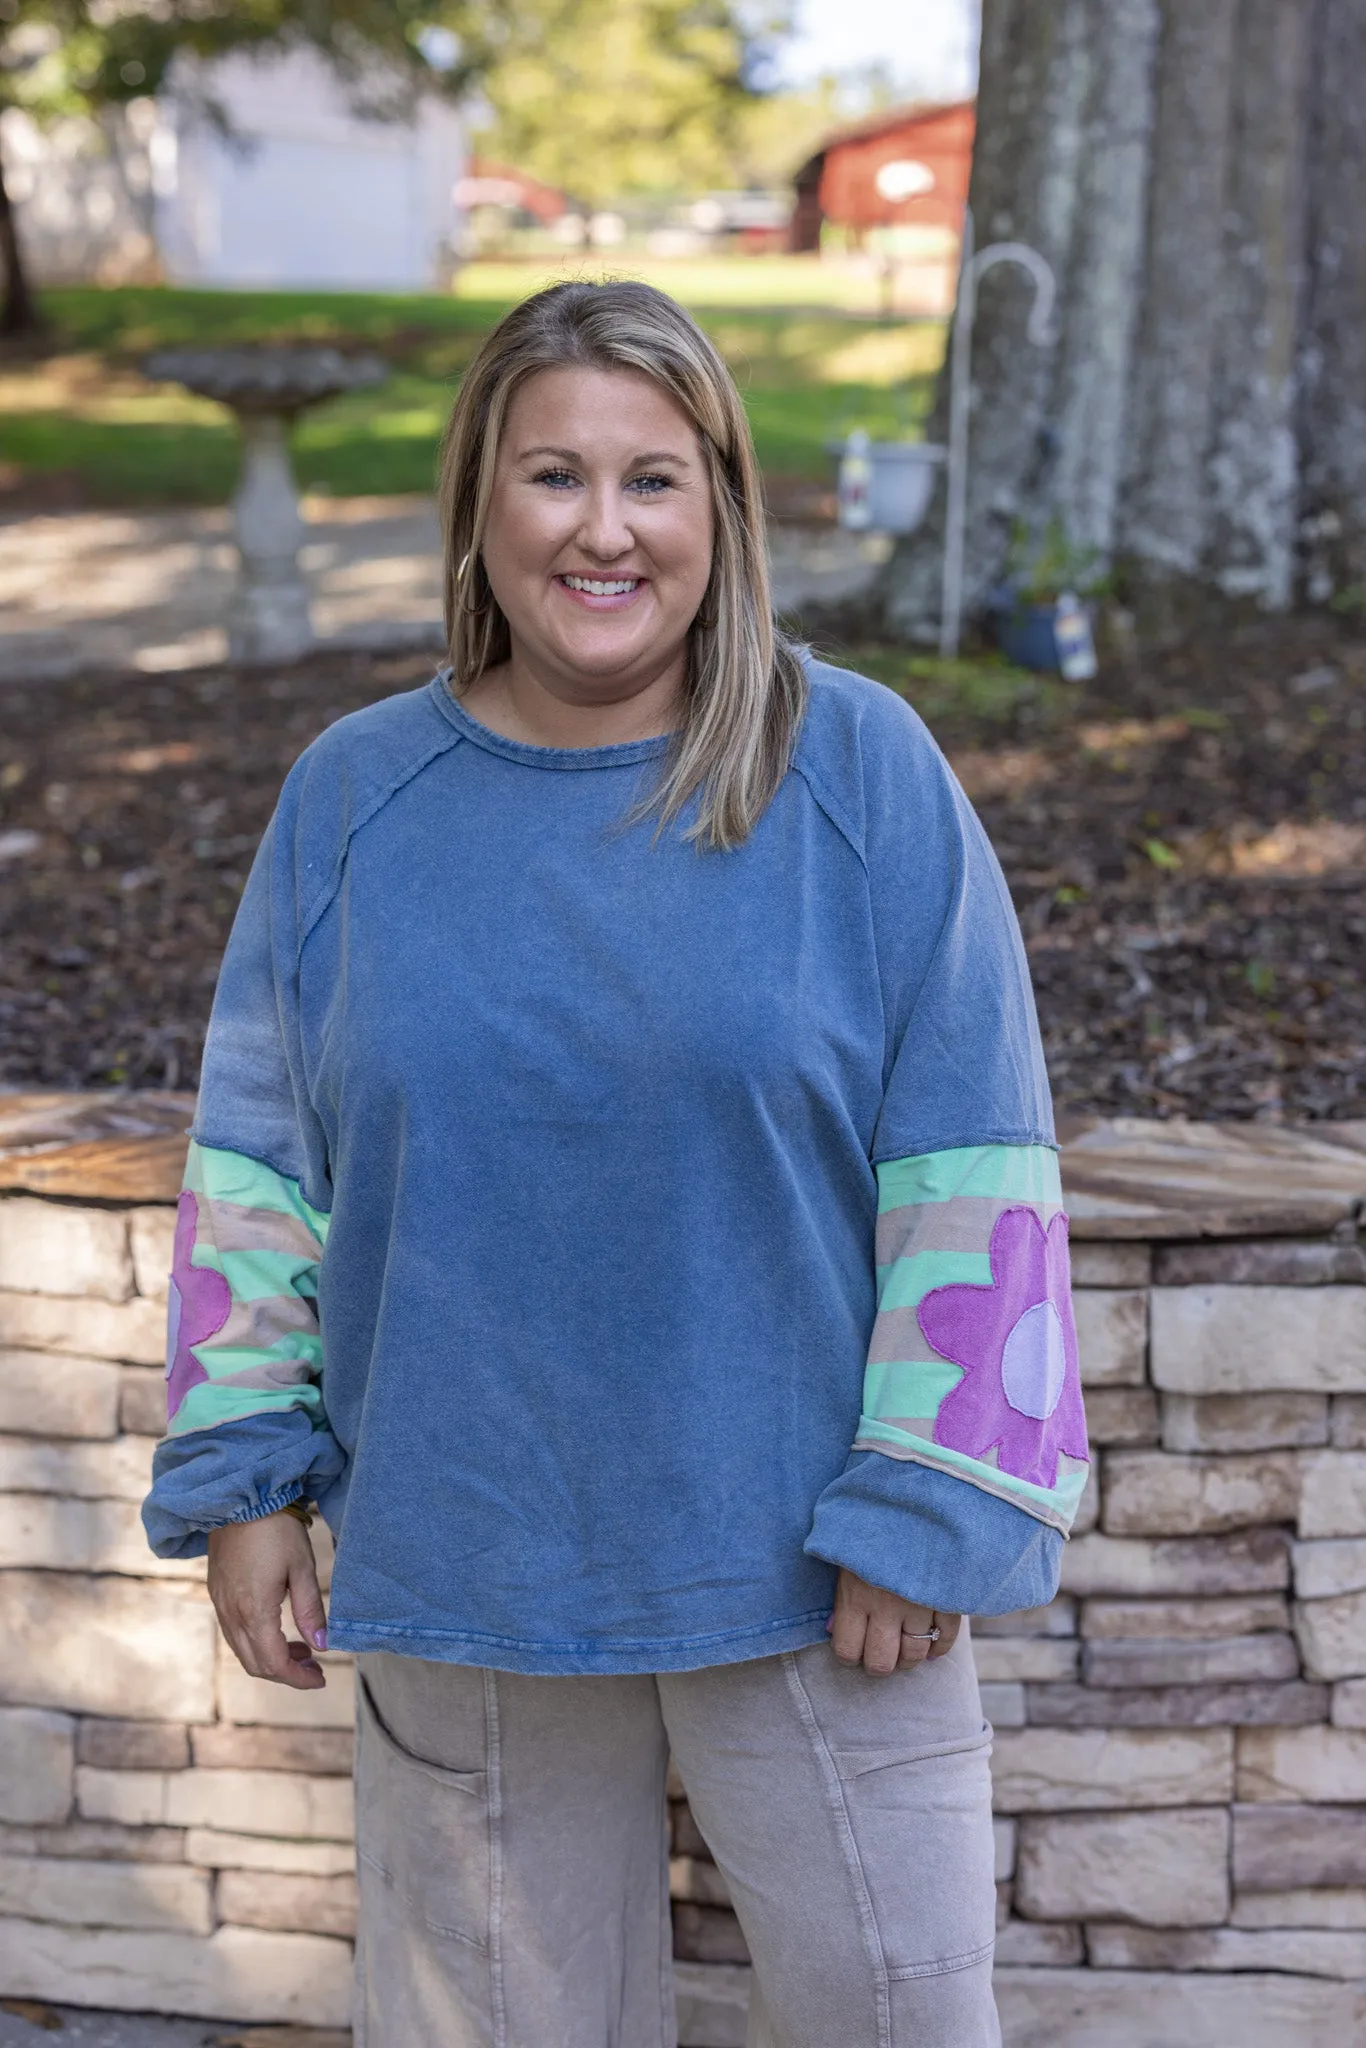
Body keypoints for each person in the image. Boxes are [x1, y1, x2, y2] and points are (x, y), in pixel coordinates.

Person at [143, 279, 1089, 2048]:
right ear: (478, 505)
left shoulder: (857, 770)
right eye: (552, 474)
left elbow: (974, 1147)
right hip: (467, 1553)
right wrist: (245, 1470)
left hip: (820, 1572)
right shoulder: (353, 797)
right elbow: (262, 1152)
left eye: (653, 480)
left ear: (722, 509)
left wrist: (930, 1501)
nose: (602, 529)